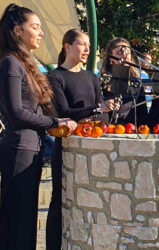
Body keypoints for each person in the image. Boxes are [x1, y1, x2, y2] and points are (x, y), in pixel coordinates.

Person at [0, 4, 77, 249]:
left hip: (31, 149)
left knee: (27, 222)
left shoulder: (26, 64)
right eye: (35, 27)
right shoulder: (11, 64)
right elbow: (17, 114)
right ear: (17, 31)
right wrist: (54, 122)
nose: (41, 33)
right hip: (19, 150)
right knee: (17, 223)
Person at [46, 29, 118, 250]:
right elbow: (63, 112)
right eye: (82, 44)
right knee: (60, 200)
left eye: (90, 45)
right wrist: (97, 109)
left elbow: (104, 115)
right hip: (67, 149)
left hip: (94, 148)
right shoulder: (55, 77)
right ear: (67, 46)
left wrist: (101, 110)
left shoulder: (91, 77)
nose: (88, 50)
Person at [101, 37, 148, 126]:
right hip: (108, 131)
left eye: (128, 52)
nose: (125, 55)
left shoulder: (136, 83)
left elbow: (143, 115)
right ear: (111, 58)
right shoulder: (103, 81)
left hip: (131, 132)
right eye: (120, 53)